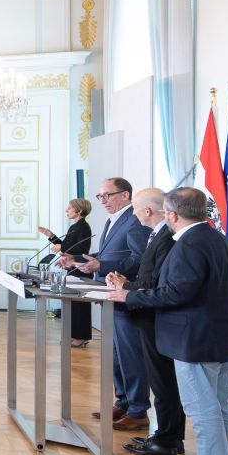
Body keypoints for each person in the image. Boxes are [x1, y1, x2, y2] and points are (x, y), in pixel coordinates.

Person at [107, 186, 228, 455]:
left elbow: (176, 293)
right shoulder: (218, 238)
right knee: (222, 410)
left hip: (196, 341)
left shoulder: (188, 244)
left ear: (172, 214)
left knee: (204, 412)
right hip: (223, 337)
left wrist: (131, 295)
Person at [59, 177, 150, 423]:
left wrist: (102, 264)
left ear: (125, 195)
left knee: (130, 354)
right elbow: (109, 255)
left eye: (108, 195)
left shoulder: (135, 220)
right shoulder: (115, 220)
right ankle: (123, 401)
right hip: (109, 295)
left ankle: (137, 410)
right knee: (116, 354)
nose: (103, 201)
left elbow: (139, 259)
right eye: (100, 196)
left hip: (126, 296)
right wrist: (77, 259)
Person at [108, 189, 186, 455]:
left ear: (147, 211)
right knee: (161, 381)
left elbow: (156, 283)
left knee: (164, 383)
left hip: (157, 318)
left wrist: (126, 287)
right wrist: (126, 284)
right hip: (152, 314)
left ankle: (167, 439)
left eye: (135, 209)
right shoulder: (160, 235)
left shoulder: (166, 237)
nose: (134, 214)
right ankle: (167, 435)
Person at [38, 197, 94, 346]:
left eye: (69, 208)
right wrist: (51, 236)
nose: (66, 210)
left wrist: (61, 249)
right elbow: (67, 246)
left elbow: (80, 250)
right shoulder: (75, 226)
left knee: (80, 305)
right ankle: (76, 335)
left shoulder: (83, 227)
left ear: (79, 210)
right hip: (73, 267)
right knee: (74, 304)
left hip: (81, 267)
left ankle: (81, 337)